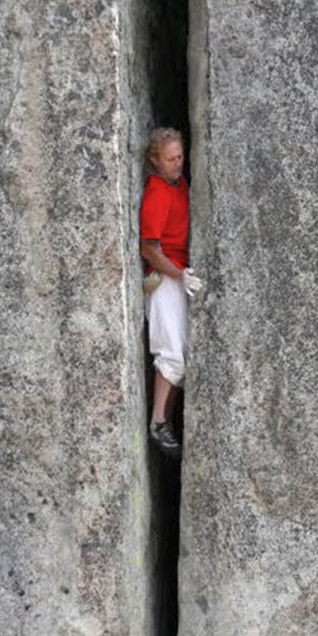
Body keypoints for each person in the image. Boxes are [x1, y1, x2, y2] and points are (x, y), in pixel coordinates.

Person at [139, 128, 203, 460]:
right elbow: (149, 248)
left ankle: (166, 422)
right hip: (164, 280)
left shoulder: (180, 185)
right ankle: (158, 422)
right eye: (170, 159)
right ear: (155, 161)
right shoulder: (158, 193)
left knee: (184, 358)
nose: (177, 163)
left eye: (180, 157)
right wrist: (179, 275)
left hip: (179, 276)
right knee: (170, 353)